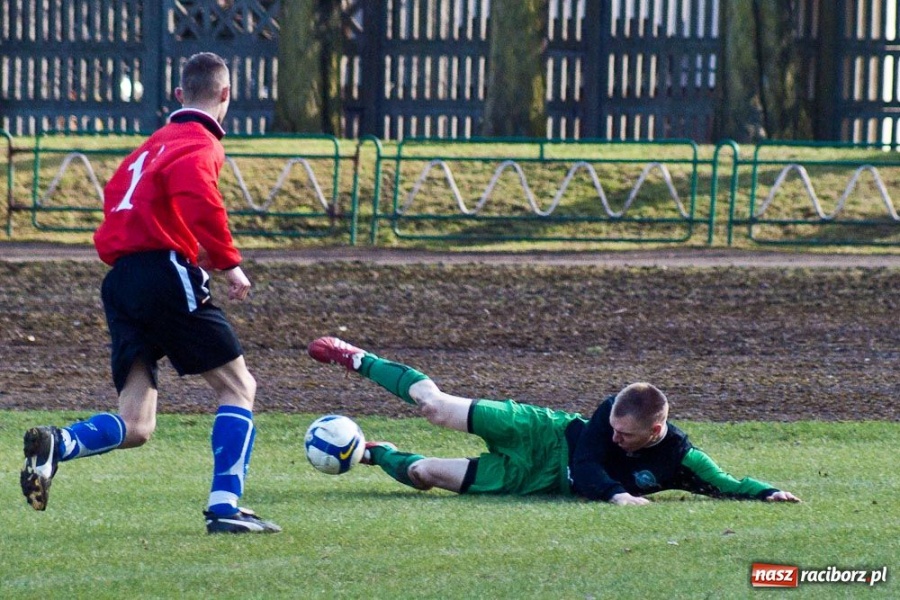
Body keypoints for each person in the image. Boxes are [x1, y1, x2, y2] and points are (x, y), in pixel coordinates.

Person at [20, 52, 281, 534]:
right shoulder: (200, 143)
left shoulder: (146, 148)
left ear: (179, 95)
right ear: (226, 95)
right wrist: (228, 262)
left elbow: (127, 207)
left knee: (137, 424)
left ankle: (60, 443)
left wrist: (176, 246)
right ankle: (225, 506)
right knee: (238, 387)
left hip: (121, 280)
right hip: (162, 273)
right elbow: (199, 196)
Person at [307, 337, 801, 504]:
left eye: (624, 436)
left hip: (534, 479)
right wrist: (617, 494)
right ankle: (356, 358)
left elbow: (724, 483)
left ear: (655, 432)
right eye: (611, 425)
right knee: (435, 407)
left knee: (422, 474)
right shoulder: (606, 415)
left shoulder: (679, 458)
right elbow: (587, 468)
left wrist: (765, 492)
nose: (612, 435)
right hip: (539, 430)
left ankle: (372, 452)